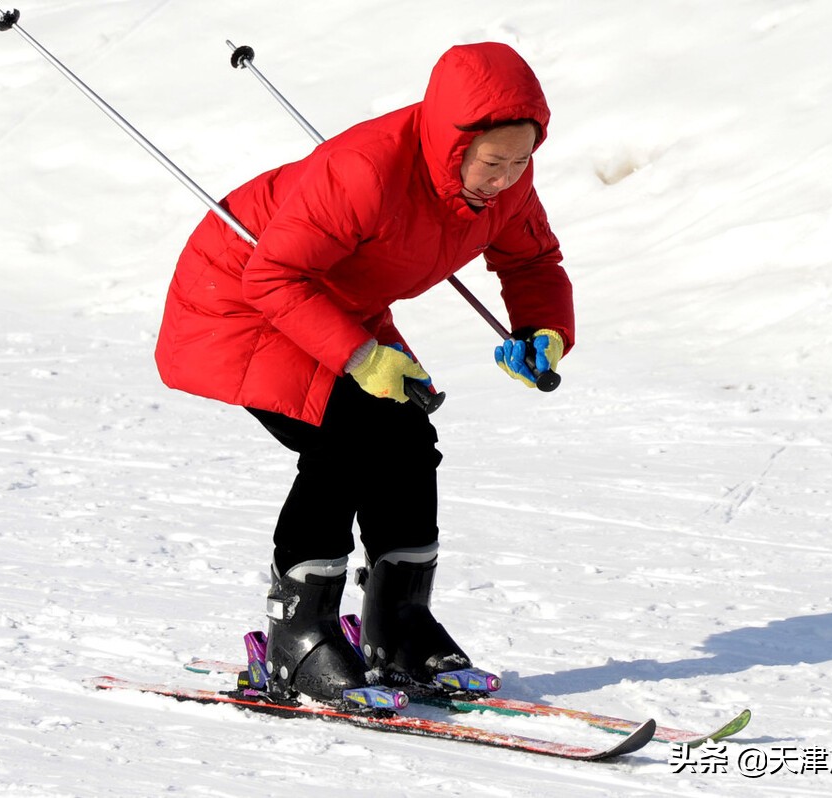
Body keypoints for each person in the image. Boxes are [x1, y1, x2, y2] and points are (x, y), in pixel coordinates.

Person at [154, 42, 574, 703]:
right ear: (452, 142)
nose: (506, 178)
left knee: (406, 435)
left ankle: (398, 624)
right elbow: (274, 275)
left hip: (335, 300)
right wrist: (359, 357)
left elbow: (532, 264)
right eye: (494, 162)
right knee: (343, 436)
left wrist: (543, 332)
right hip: (243, 293)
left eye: (523, 160)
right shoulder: (365, 173)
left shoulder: (506, 182)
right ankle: (299, 638)